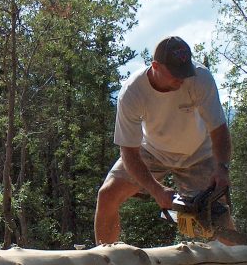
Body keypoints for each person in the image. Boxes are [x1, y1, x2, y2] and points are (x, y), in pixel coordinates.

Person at [94, 36, 233, 244]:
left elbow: (219, 129)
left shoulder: (200, 77)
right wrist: (156, 190)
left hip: (198, 154)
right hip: (152, 151)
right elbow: (129, 152)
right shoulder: (132, 92)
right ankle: (105, 263)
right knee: (107, 196)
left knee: (218, 220)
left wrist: (221, 167)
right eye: (175, 74)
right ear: (155, 66)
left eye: (185, 71)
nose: (181, 79)